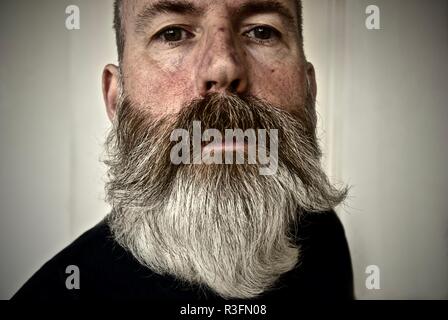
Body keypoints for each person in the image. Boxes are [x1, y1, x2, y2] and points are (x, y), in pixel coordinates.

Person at [13, 0, 354, 301]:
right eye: (173, 33)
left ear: (309, 90)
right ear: (117, 99)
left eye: (262, 32)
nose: (223, 67)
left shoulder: (321, 236)